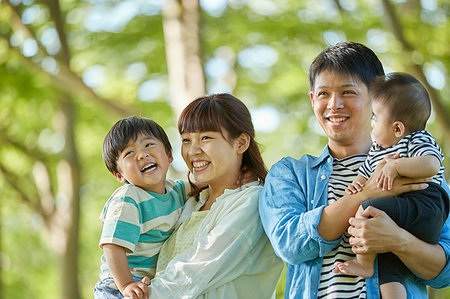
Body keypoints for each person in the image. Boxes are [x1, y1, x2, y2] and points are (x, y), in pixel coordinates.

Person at [258, 41, 450, 298]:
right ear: (313, 99)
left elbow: (445, 270)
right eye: (324, 93)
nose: (334, 104)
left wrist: (398, 240)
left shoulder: (412, 165)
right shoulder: (291, 173)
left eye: (348, 92)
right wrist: (363, 194)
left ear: (376, 97)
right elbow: (289, 243)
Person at [143, 93, 283, 298]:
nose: (193, 150)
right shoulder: (190, 203)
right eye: (186, 140)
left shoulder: (253, 201)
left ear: (241, 143)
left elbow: (195, 270)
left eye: (206, 138)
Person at [334, 72, 449, 298]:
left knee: (367, 209)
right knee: (386, 255)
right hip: (402, 213)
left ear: (398, 128)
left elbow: (431, 165)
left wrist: (396, 167)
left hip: (426, 204)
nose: (372, 124)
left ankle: (363, 263)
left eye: (375, 118)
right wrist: (356, 185)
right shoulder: (377, 151)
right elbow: (364, 175)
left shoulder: (416, 139)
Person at [94, 116, 190, 299]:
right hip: (117, 285)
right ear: (119, 174)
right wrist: (126, 285)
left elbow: (201, 184)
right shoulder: (128, 199)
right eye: (129, 153)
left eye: (149, 145)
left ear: (169, 154)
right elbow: (112, 246)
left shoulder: (176, 190)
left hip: (148, 284)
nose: (142, 154)